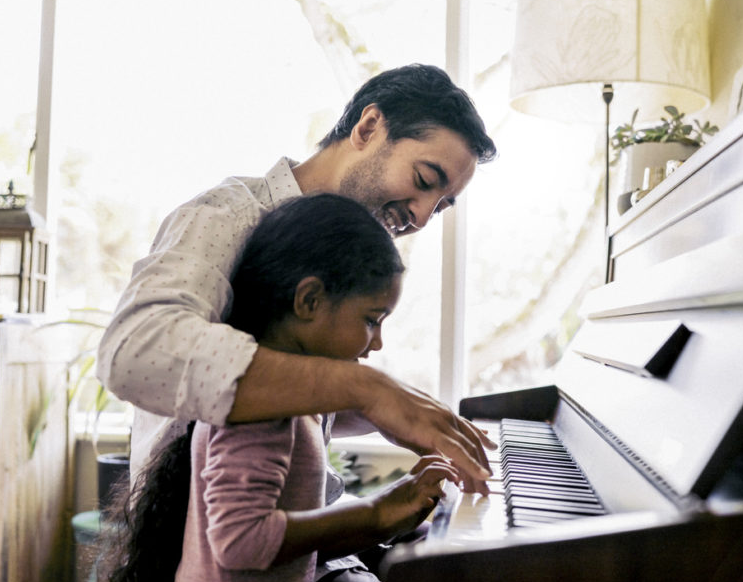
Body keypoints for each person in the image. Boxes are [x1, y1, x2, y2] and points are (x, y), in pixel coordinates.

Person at [96, 63, 498, 491]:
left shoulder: (337, 252)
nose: (420, 216)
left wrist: (396, 411)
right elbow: (135, 353)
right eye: (423, 180)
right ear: (368, 127)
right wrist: (368, 389)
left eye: (439, 207)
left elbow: (282, 398)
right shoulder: (227, 215)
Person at [98, 194, 460, 582]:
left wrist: (403, 419)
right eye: (371, 319)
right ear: (308, 300)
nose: (377, 342)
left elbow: (335, 419)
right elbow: (240, 542)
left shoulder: (284, 397)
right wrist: (375, 514)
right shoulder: (264, 414)